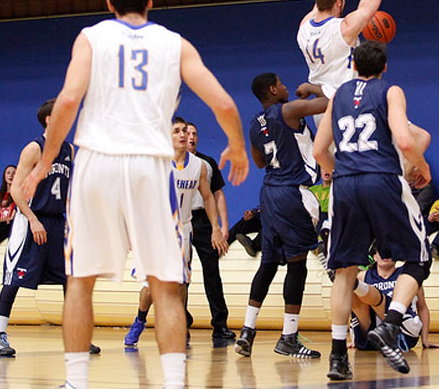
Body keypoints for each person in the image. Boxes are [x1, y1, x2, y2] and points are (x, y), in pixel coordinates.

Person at [20, 0, 248, 389]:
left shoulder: (91, 37)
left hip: (96, 163)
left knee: (80, 280)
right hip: (149, 165)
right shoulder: (174, 44)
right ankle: (175, 381)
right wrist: (236, 144)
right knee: (165, 283)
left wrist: (46, 161)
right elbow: (223, 103)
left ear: (108, 3)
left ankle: (75, 382)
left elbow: (68, 100)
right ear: (151, 1)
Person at [313, 40, 432, 380]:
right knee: (419, 257)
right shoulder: (390, 91)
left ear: (352, 64)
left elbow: (321, 150)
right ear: (384, 67)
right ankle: (391, 324)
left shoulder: (336, 97)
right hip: (382, 179)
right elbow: (406, 141)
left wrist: (338, 170)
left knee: (344, 271)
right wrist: (421, 166)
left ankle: (338, 357)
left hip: (345, 185)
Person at [0, 100, 99, 358]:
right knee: (13, 278)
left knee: (69, 279)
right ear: (49, 119)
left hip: (56, 221)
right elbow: (15, 190)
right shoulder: (34, 149)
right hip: (30, 220)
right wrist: (32, 219)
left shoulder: (69, 150)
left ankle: (76, 337)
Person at [235, 73, 327, 359]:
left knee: (269, 264)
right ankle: (288, 337)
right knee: (297, 265)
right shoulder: (288, 109)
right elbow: (328, 103)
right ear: (273, 90)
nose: (288, 87)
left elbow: (260, 161)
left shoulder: (253, 123)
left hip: (269, 193)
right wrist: (310, 89)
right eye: (283, 84)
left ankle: (247, 332)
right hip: (291, 193)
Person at [123, 117, 225, 348]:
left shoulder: (199, 166)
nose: (183, 135)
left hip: (183, 231)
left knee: (181, 283)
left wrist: (216, 228)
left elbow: (208, 197)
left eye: (185, 131)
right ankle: (140, 320)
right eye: (177, 131)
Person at [297, 0, 388, 124]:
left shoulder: (304, 26)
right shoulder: (344, 29)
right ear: (339, 2)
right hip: (348, 105)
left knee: (326, 155)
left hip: (320, 109)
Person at [186, 122, 236, 339]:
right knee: (180, 275)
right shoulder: (168, 163)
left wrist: (222, 226)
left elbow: (217, 195)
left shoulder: (207, 163)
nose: (190, 138)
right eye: (186, 133)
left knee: (212, 273)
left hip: (204, 219)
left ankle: (220, 323)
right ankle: (181, 322)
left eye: (194, 134)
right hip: (181, 220)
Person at [350, 251, 439, 353]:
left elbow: (422, 307)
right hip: (371, 329)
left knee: (379, 297)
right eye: (381, 252)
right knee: (352, 292)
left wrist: (425, 339)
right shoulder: (363, 276)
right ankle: (348, 281)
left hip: (402, 330)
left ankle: (356, 284)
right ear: (374, 257)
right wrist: (352, 338)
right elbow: (353, 308)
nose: (385, 255)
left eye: (389, 252)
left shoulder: (408, 275)